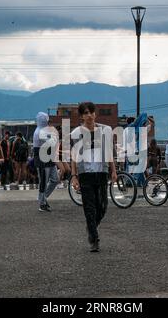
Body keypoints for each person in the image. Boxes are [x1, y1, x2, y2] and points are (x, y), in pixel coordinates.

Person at [71, 102, 117, 252]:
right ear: (81, 116)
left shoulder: (104, 130)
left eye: (91, 112)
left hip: (101, 172)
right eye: (85, 113)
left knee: (102, 207)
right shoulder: (77, 133)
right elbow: (74, 156)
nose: (89, 115)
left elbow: (109, 151)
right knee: (89, 208)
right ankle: (94, 239)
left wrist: (113, 170)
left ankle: (91, 227)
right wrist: (74, 176)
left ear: (95, 114)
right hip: (85, 174)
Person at [33, 112, 60, 212]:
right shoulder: (39, 132)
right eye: (47, 120)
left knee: (55, 179)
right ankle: (42, 203)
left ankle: (43, 198)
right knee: (43, 182)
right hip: (42, 159)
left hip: (49, 157)